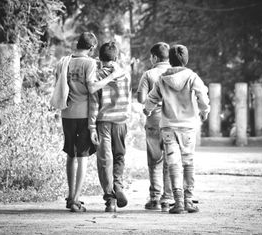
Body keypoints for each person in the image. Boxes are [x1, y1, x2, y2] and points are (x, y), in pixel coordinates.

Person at [54, 32, 125, 213]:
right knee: (82, 157)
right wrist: (112, 76)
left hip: (67, 113)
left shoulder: (64, 62)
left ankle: (70, 197)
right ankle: (77, 199)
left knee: (70, 155)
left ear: (77, 44)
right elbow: (93, 88)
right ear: (92, 48)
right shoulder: (90, 63)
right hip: (84, 114)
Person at [143, 44, 210, 214]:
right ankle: (188, 200)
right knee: (188, 162)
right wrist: (204, 110)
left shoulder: (162, 79)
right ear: (186, 59)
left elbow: (151, 98)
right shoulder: (192, 77)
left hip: (168, 127)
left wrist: (147, 109)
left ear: (170, 60)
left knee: (172, 162)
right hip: (187, 126)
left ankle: (178, 202)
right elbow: (202, 95)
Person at [89, 42, 131, 212]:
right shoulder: (125, 75)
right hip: (121, 121)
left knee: (105, 159)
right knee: (119, 156)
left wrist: (91, 126)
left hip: (103, 122)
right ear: (117, 57)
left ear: (100, 59)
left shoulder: (98, 76)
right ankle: (119, 186)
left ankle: (110, 199)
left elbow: (93, 104)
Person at [137, 42, 173, 212]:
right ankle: (167, 199)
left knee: (154, 160)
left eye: (151, 56)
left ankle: (155, 199)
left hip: (153, 121)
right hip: (171, 122)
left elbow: (141, 98)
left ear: (155, 58)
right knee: (169, 160)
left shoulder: (149, 74)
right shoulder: (176, 72)